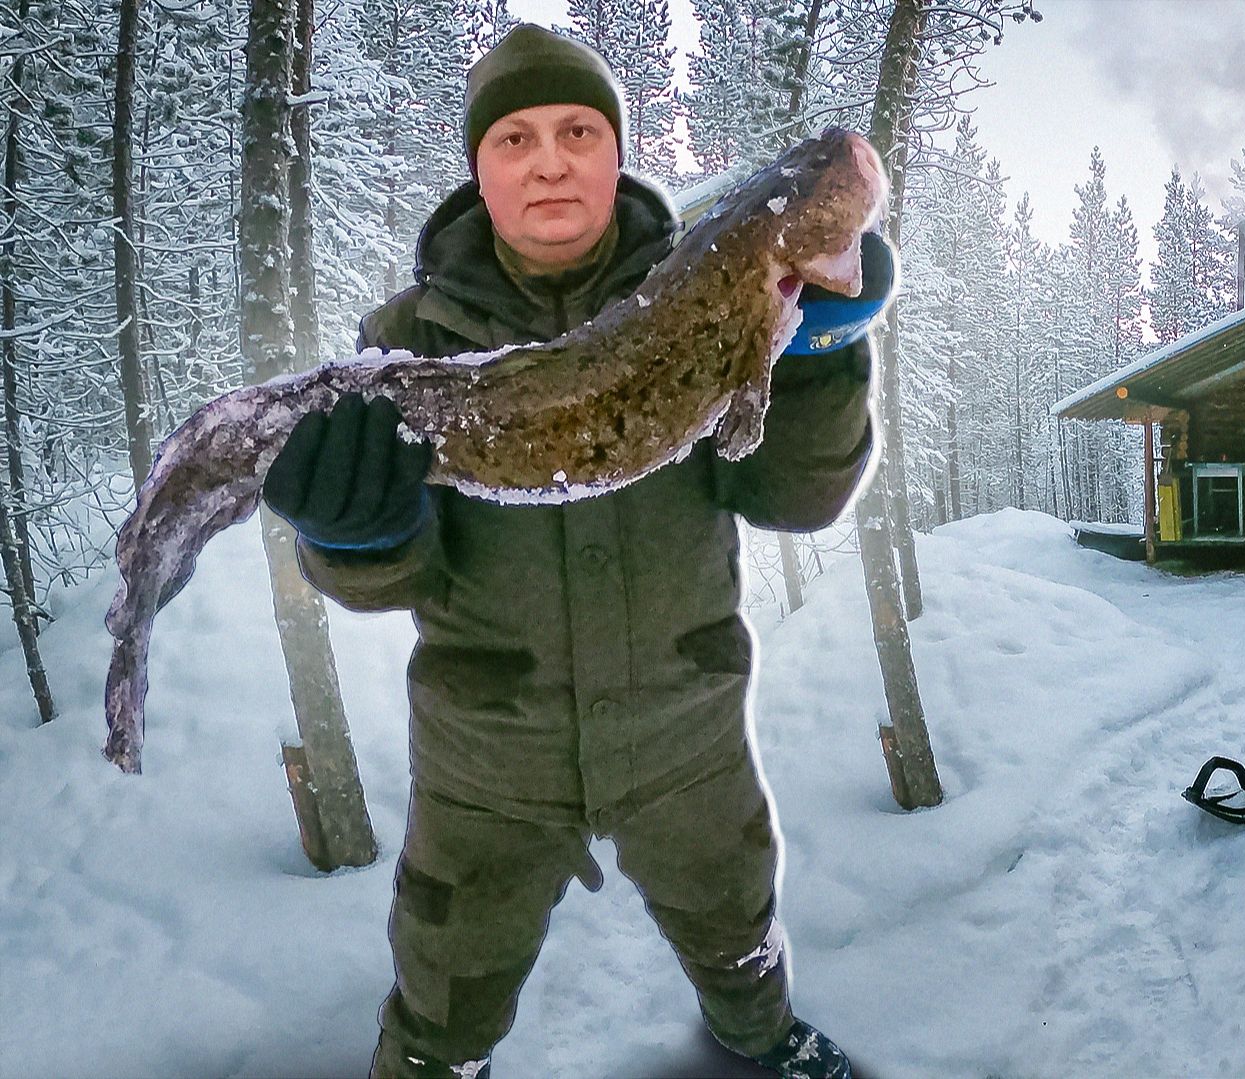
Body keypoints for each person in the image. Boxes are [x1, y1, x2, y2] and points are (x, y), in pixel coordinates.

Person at [261, 25, 888, 1079]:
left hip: (686, 730)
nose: (549, 158)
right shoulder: (404, 342)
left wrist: (817, 343)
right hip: (484, 755)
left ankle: (757, 1029)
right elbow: (388, 581)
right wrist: (352, 533)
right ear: (479, 168)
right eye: (514, 137)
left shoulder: (714, 285)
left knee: (735, 920)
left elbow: (797, 499)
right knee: (447, 981)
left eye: (577, 130)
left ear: (615, 153)